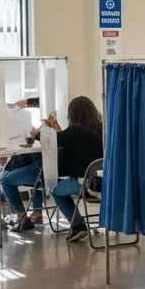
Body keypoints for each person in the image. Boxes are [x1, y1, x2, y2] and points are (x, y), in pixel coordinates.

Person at [48, 96, 105, 242]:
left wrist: (40, 132)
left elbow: (53, 141)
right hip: (107, 182)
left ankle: (78, 225)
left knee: (56, 191)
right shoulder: (103, 129)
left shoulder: (75, 131)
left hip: (86, 183)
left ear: (72, 114)